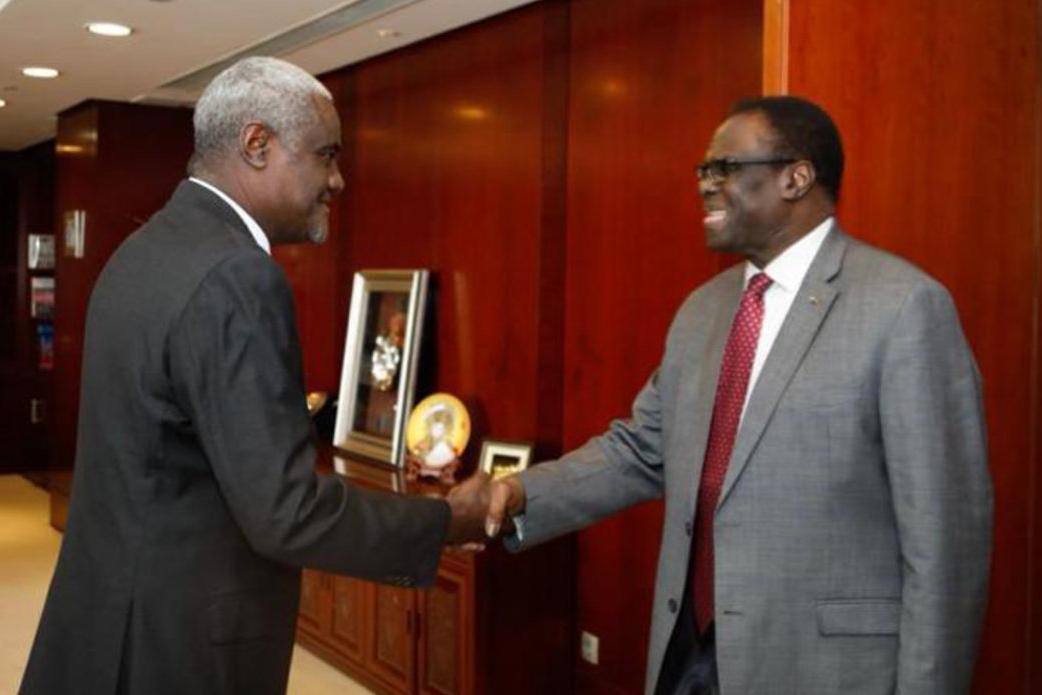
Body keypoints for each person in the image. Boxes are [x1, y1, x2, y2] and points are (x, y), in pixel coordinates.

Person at [480, 96, 993, 694]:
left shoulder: (903, 306)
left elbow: (945, 543)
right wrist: (518, 493)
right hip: (690, 655)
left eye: (724, 168)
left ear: (796, 177)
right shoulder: (703, 310)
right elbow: (640, 450)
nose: (705, 186)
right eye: (702, 171)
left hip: (823, 670)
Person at [21, 57, 487, 695]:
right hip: (177, 650)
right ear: (257, 145)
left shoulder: (143, 249)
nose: (339, 180)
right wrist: (446, 522)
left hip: (108, 622)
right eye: (326, 155)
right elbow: (285, 511)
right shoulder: (237, 274)